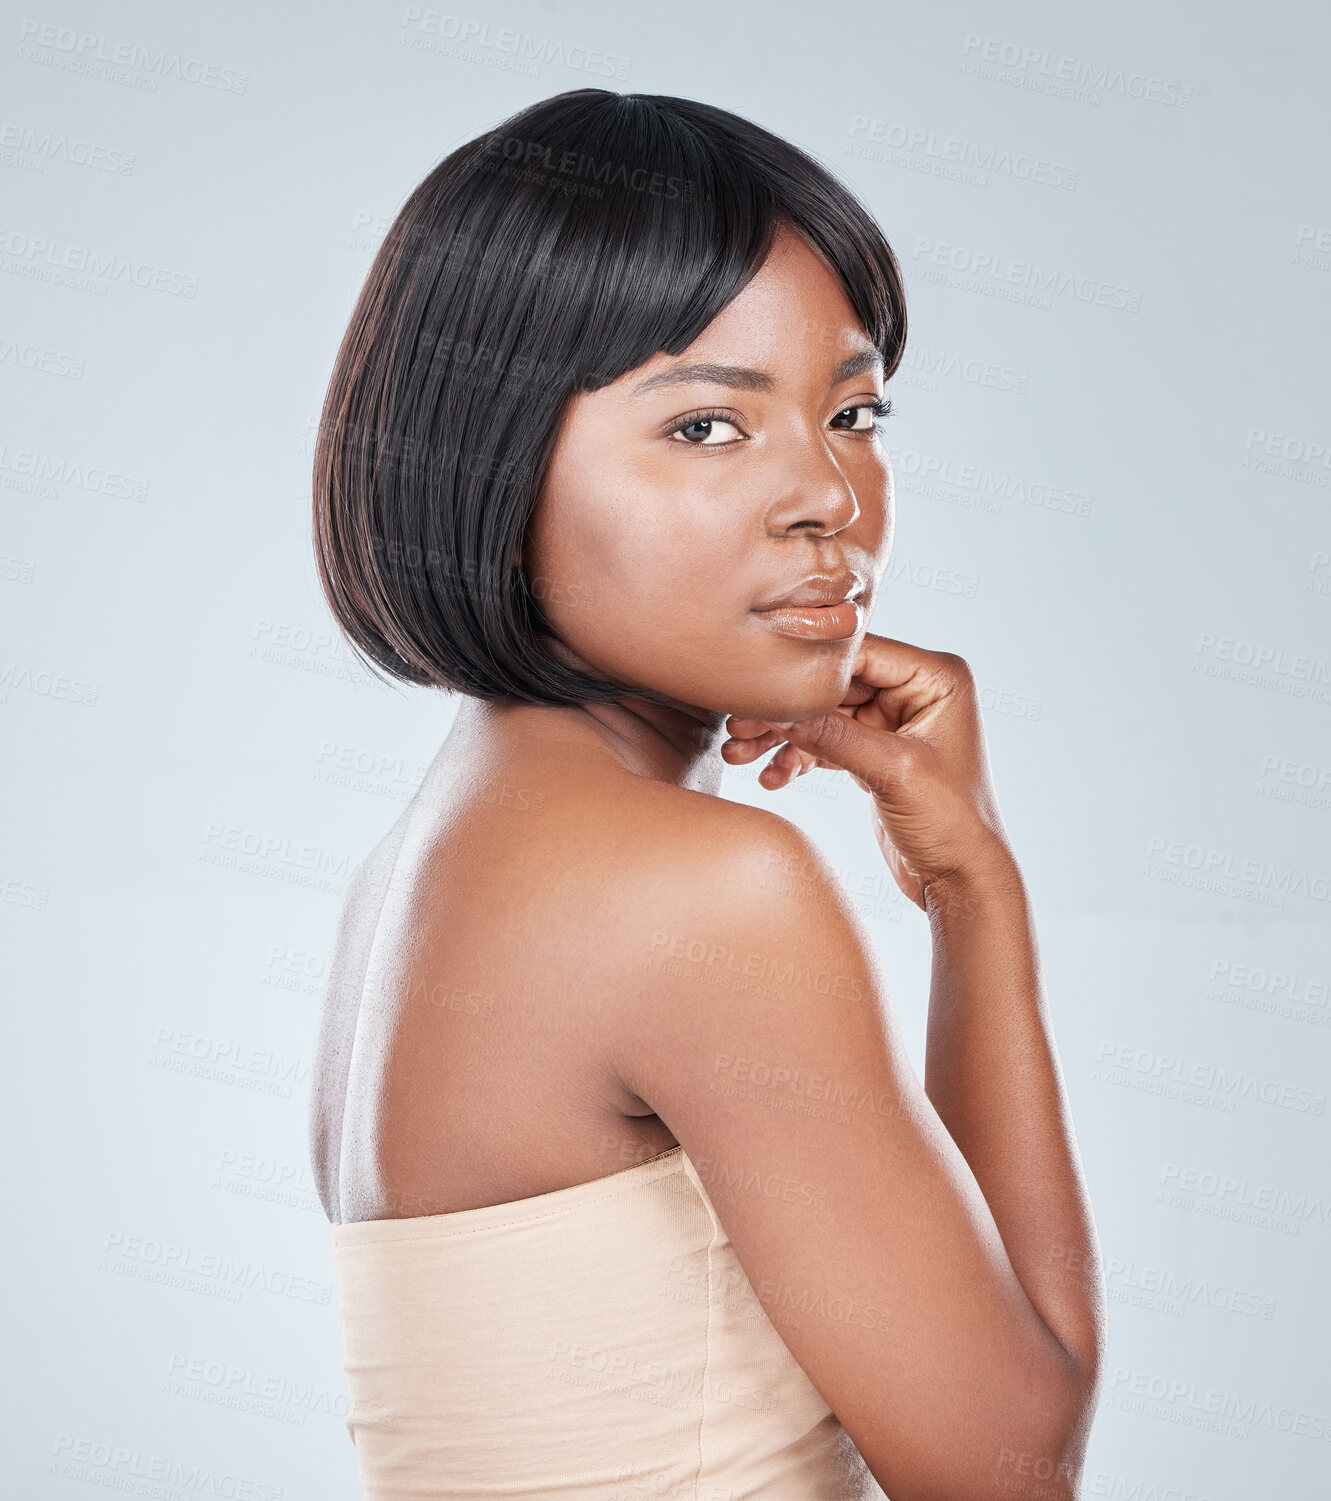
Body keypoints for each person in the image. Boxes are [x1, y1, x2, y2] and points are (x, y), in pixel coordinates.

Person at [308, 87, 1106, 1500]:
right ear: (491, 464)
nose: (830, 498)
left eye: (853, 410)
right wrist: (974, 888)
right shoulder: (700, 885)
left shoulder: (425, 867)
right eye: (706, 428)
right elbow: (1011, 1469)